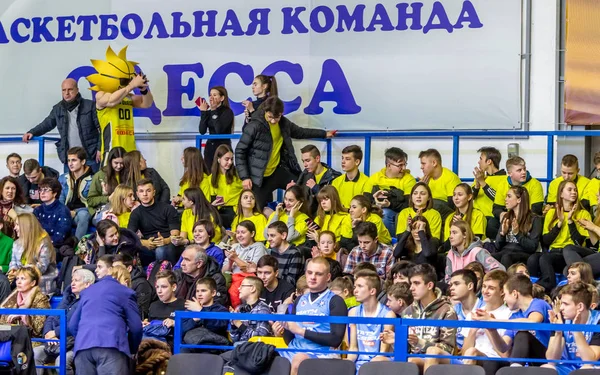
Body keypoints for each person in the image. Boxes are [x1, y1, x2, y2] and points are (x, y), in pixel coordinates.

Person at [235, 96, 335, 210]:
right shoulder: (254, 125)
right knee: (256, 209)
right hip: (258, 177)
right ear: (265, 112)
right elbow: (239, 151)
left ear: (281, 114)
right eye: (270, 117)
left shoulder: (283, 123)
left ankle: (308, 219)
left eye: (276, 118)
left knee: (301, 188)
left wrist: (323, 134)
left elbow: (300, 132)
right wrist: (245, 177)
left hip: (277, 170)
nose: (273, 121)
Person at [275, 257, 348, 375]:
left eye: (318, 274)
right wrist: (283, 328)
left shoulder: (336, 301)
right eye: (309, 273)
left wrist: (300, 331)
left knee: (299, 360)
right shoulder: (299, 300)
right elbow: (289, 337)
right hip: (293, 351)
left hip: (322, 354)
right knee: (262, 355)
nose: (313, 277)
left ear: (328, 277)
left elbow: (335, 340)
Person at [68, 268, 143, 374]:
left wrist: (85, 339)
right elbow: (136, 327)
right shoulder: (125, 292)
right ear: (125, 281)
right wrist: (131, 349)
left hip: (83, 349)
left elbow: (72, 325)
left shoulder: (87, 291)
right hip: (112, 347)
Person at [23, 78, 101, 172]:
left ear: (77, 90)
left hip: (90, 156)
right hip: (69, 159)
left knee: (93, 185)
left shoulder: (90, 106)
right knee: (69, 186)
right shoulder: (57, 109)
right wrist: (32, 132)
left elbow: (101, 129)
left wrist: (99, 149)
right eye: (64, 90)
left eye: (70, 89)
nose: (67, 93)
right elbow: (47, 124)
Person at [89, 46, 154, 158]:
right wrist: (131, 85)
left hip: (129, 149)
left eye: (128, 80)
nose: (127, 83)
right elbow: (111, 101)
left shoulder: (128, 97)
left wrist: (144, 90)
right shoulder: (101, 95)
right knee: (111, 176)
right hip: (111, 149)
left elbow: (146, 103)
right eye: (124, 81)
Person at [474, 274, 551, 366]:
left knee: (522, 334)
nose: (504, 299)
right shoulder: (515, 316)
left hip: (547, 358)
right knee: (491, 363)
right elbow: (504, 347)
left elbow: (532, 322)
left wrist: (494, 321)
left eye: (505, 294)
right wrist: (492, 330)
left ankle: (514, 370)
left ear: (515, 293)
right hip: (529, 364)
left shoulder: (538, 303)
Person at [532, 180, 590, 292]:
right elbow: (546, 241)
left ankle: (548, 285)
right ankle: (533, 289)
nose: (574, 192)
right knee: (533, 259)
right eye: (570, 190)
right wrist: (559, 224)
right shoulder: (552, 213)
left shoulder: (583, 214)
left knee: (545, 258)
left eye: (575, 190)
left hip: (569, 256)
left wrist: (570, 222)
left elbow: (579, 242)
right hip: (554, 251)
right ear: (561, 194)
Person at [35, 268, 95, 375]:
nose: (72, 283)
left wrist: (56, 332)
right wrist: (48, 333)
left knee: (61, 362)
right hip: (54, 342)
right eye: (72, 280)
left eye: (77, 280)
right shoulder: (67, 298)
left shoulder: (89, 302)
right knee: (35, 354)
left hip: (75, 345)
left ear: (87, 284)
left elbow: (76, 325)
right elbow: (51, 318)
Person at [399, 263, 457, 374]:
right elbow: (405, 349)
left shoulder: (447, 310)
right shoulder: (407, 311)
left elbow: (448, 349)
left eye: (416, 283)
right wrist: (395, 341)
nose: (411, 288)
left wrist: (420, 342)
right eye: (411, 283)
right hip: (412, 358)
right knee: (378, 360)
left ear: (429, 285)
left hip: (439, 360)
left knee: (430, 352)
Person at [462, 270, 512, 375]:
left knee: (472, 352)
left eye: (491, 288)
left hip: (497, 362)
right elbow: (464, 354)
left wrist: (487, 324)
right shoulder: (473, 314)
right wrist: (473, 330)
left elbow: (505, 354)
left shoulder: (509, 315)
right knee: (470, 352)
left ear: (502, 291)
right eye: (484, 286)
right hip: (472, 361)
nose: (485, 291)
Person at [545, 282, 600, 375]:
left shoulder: (597, 320)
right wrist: (558, 332)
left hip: (593, 369)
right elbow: (551, 360)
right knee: (547, 368)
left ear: (580, 307)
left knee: (586, 369)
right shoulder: (561, 318)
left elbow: (590, 360)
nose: (561, 308)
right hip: (567, 367)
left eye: (565, 304)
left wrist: (576, 330)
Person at [347, 270, 395, 371]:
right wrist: (346, 366)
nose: (355, 290)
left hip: (379, 363)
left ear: (372, 291)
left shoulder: (388, 315)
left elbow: (383, 352)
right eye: (355, 287)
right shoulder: (353, 312)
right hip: (359, 363)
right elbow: (353, 348)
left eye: (360, 286)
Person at [365, 147, 417, 236]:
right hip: (376, 209)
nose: (403, 168)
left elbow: (409, 205)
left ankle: (391, 242)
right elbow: (365, 201)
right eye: (400, 165)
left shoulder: (409, 180)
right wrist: (376, 203)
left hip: (398, 212)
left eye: (405, 164)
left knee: (385, 213)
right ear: (389, 165)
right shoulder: (374, 178)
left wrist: (389, 204)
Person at [128, 179, 181, 265]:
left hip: (168, 243)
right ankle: (149, 275)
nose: (145, 194)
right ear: (137, 194)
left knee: (161, 250)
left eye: (148, 191)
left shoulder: (167, 208)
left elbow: (175, 233)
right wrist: (145, 242)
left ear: (154, 192)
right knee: (138, 249)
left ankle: (164, 275)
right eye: (141, 191)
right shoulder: (135, 213)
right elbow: (130, 236)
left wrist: (166, 240)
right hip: (149, 244)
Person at [493, 186, 542, 268]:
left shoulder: (534, 219)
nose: (505, 199)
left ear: (519, 200)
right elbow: (497, 247)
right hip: (505, 251)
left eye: (509, 196)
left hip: (523, 254)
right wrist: (502, 234)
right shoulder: (506, 217)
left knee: (506, 257)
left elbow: (532, 247)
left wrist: (517, 234)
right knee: (489, 257)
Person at [0, 266, 50, 346]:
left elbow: (38, 329)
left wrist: (23, 315)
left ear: (33, 283)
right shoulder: (12, 297)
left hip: (31, 340)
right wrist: (10, 327)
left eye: (23, 279)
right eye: (17, 278)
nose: (18, 282)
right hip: (11, 336)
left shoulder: (41, 299)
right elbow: (2, 325)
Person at [9, 213, 57, 295]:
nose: (15, 228)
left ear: (26, 226)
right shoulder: (16, 243)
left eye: (17, 225)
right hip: (21, 281)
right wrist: (13, 270)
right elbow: (13, 262)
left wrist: (22, 272)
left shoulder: (43, 242)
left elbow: (42, 267)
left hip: (41, 284)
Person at [223, 220, 268, 307]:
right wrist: (230, 262)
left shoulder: (259, 247)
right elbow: (223, 271)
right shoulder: (234, 247)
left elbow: (252, 269)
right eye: (238, 232)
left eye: (243, 232)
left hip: (249, 282)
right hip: (232, 280)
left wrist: (235, 258)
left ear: (252, 234)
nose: (239, 235)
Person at [290, 144, 341, 215]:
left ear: (317, 159)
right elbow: (299, 197)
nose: (305, 165)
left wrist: (315, 188)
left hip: (324, 217)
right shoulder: (305, 174)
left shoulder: (333, 177)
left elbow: (333, 201)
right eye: (303, 161)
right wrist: (292, 189)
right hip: (306, 217)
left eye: (307, 160)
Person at [59, 147, 95, 240]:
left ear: (83, 162)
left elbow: (92, 203)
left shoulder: (93, 179)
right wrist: (66, 212)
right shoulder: (63, 178)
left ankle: (76, 246)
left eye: (74, 160)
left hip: (84, 213)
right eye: (69, 160)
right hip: (67, 213)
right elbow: (60, 199)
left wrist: (75, 212)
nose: (70, 163)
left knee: (83, 215)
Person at [472, 147, 507, 238]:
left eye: (481, 159)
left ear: (489, 162)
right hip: (476, 218)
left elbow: (498, 198)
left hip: (491, 219)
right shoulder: (481, 177)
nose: (478, 162)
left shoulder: (504, 179)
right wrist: (477, 184)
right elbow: (471, 196)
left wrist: (482, 183)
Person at [418, 148, 462, 220]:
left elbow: (454, 204)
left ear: (434, 163)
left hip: (449, 211)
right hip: (431, 209)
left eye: (423, 163)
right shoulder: (425, 179)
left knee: (435, 204)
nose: (421, 167)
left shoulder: (450, 177)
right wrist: (421, 187)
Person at [144, 270, 185, 345]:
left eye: (163, 287)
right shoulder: (153, 305)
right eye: (157, 287)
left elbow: (188, 328)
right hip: (151, 343)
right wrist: (146, 324)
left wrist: (175, 323)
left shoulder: (183, 305)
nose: (159, 291)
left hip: (172, 345)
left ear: (174, 287)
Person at [198, 86, 235, 167]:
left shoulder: (228, 112)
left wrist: (214, 110)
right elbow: (202, 131)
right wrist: (203, 112)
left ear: (222, 98)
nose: (211, 97)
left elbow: (219, 130)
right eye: (210, 95)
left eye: (214, 95)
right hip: (210, 148)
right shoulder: (209, 112)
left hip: (223, 148)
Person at [442, 183, 487, 250]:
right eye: (454, 195)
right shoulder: (450, 217)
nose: (456, 198)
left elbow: (476, 240)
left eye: (460, 195)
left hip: (472, 252)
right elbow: (447, 245)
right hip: (453, 253)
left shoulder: (478, 215)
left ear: (469, 197)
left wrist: (461, 227)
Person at [448, 269, 484, 351]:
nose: (451, 288)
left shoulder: (485, 309)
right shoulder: (452, 310)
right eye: (451, 285)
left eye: (456, 284)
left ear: (470, 286)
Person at [230, 276, 273, 343]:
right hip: (239, 348)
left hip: (255, 351)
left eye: (242, 285)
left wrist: (239, 325)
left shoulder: (263, 309)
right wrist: (233, 324)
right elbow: (234, 339)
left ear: (252, 289)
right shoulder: (239, 308)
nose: (239, 288)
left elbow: (260, 337)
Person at [209, 144, 242, 228]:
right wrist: (213, 204)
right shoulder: (211, 178)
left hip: (236, 210)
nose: (230, 162)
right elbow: (212, 199)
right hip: (219, 210)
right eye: (227, 159)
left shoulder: (238, 175)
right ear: (219, 159)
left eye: (232, 159)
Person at [33, 177, 72, 247]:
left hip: (56, 247)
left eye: (46, 190)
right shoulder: (37, 210)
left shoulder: (63, 210)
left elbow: (60, 236)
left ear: (55, 193)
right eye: (40, 190)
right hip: (37, 244)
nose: (42, 193)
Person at [113, 253, 154, 320]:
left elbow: (141, 312)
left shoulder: (141, 284)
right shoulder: (115, 283)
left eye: (118, 268)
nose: (114, 271)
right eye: (113, 268)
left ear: (129, 268)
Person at [87, 147, 126, 211]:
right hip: (104, 210)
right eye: (116, 163)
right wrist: (108, 198)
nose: (119, 166)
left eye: (122, 163)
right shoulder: (99, 175)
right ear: (110, 161)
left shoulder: (127, 174)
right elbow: (90, 200)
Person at [266, 221, 303, 285]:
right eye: (268, 235)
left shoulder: (294, 253)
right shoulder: (273, 251)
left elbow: (291, 281)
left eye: (272, 235)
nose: (269, 239)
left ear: (283, 235)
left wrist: (271, 275)